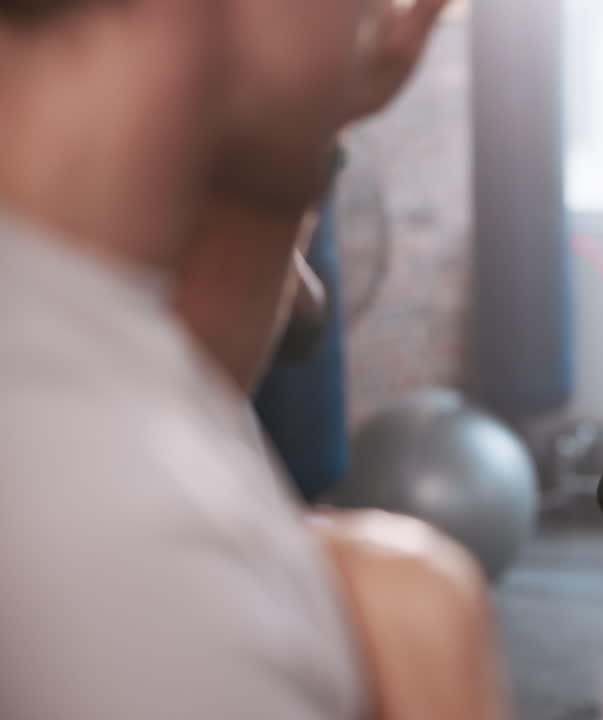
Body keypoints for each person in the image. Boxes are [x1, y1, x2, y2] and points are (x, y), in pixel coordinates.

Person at [0, 2, 507, 719]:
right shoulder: (128, 549)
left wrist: (320, 102)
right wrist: (441, 689)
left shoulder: (58, 336)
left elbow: (183, 384)